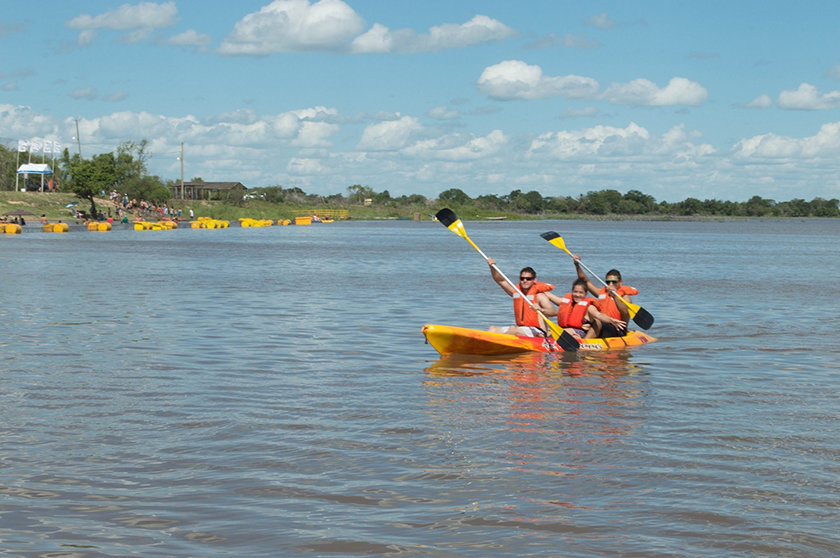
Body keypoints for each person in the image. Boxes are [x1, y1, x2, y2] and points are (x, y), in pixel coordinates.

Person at [537, 278, 626, 339]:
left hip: (580, 334)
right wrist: (534, 287)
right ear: (572, 292)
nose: (577, 295)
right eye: (575, 292)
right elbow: (549, 295)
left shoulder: (589, 307)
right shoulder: (566, 301)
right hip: (565, 331)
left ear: (585, 294)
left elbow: (599, 315)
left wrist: (611, 320)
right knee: (547, 332)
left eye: (580, 293)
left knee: (556, 333)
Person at [573, 256, 638, 337]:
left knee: (597, 322)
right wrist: (577, 265)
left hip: (618, 329)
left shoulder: (625, 297)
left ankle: (585, 344)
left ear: (620, 283)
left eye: (614, 282)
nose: (610, 284)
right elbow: (585, 282)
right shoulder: (601, 292)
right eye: (608, 282)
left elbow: (624, 312)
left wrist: (615, 296)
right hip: (601, 325)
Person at [487, 259, 554, 336]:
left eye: (528, 279)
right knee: (492, 329)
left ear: (534, 280)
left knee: (513, 329)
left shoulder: (540, 296)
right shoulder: (516, 293)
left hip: (538, 331)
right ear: (519, 279)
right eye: (522, 278)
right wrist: (492, 267)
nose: (525, 281)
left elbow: (553, 312)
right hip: (522, 329)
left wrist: (541, 309)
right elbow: (501, 281)